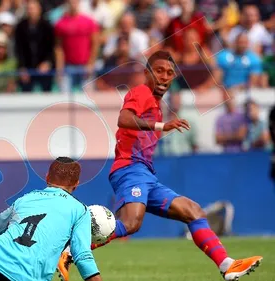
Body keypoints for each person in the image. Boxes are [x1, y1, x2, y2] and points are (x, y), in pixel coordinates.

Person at [57, 50, 263, 281]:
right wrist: (160, 126)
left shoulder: (155, 102)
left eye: (169, 73)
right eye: (159, 71)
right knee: (131, 223)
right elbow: (123, 119)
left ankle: (227, 265)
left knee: (193, 211)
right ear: (147, 73)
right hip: (130, 168)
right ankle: (69, 251)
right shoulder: (142, 92)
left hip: (145, 173)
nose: (165, 77)